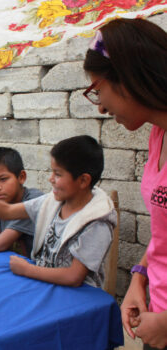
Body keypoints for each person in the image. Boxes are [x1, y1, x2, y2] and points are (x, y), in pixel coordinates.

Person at [83, 17, 167, 350]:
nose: (101, 106)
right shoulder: (157, 136)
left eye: (98, 90)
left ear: (129, 79)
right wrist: (139, 276)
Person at [0, 135, 116, 288]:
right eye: (52, 172)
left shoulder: (96, 221)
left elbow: (73, 277)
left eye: (58, 174)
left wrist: (27, 269)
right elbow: (6, 211)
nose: (50, 179)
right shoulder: (51, 202)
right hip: (44, 283)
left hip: (77, 298)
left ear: (83, 180)